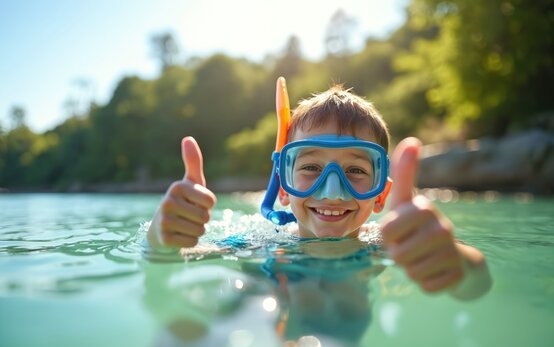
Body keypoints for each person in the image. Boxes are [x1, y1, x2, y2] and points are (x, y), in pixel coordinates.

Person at [147, 80, 492, 301]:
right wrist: (161, 239)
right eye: (311, 167)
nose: (332, 192)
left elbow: (477, 281)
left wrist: (458, 266)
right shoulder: (263, 242)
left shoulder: (386, 243)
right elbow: (176, 261)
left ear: (381, 195)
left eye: (356, 171)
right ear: (283, 187)